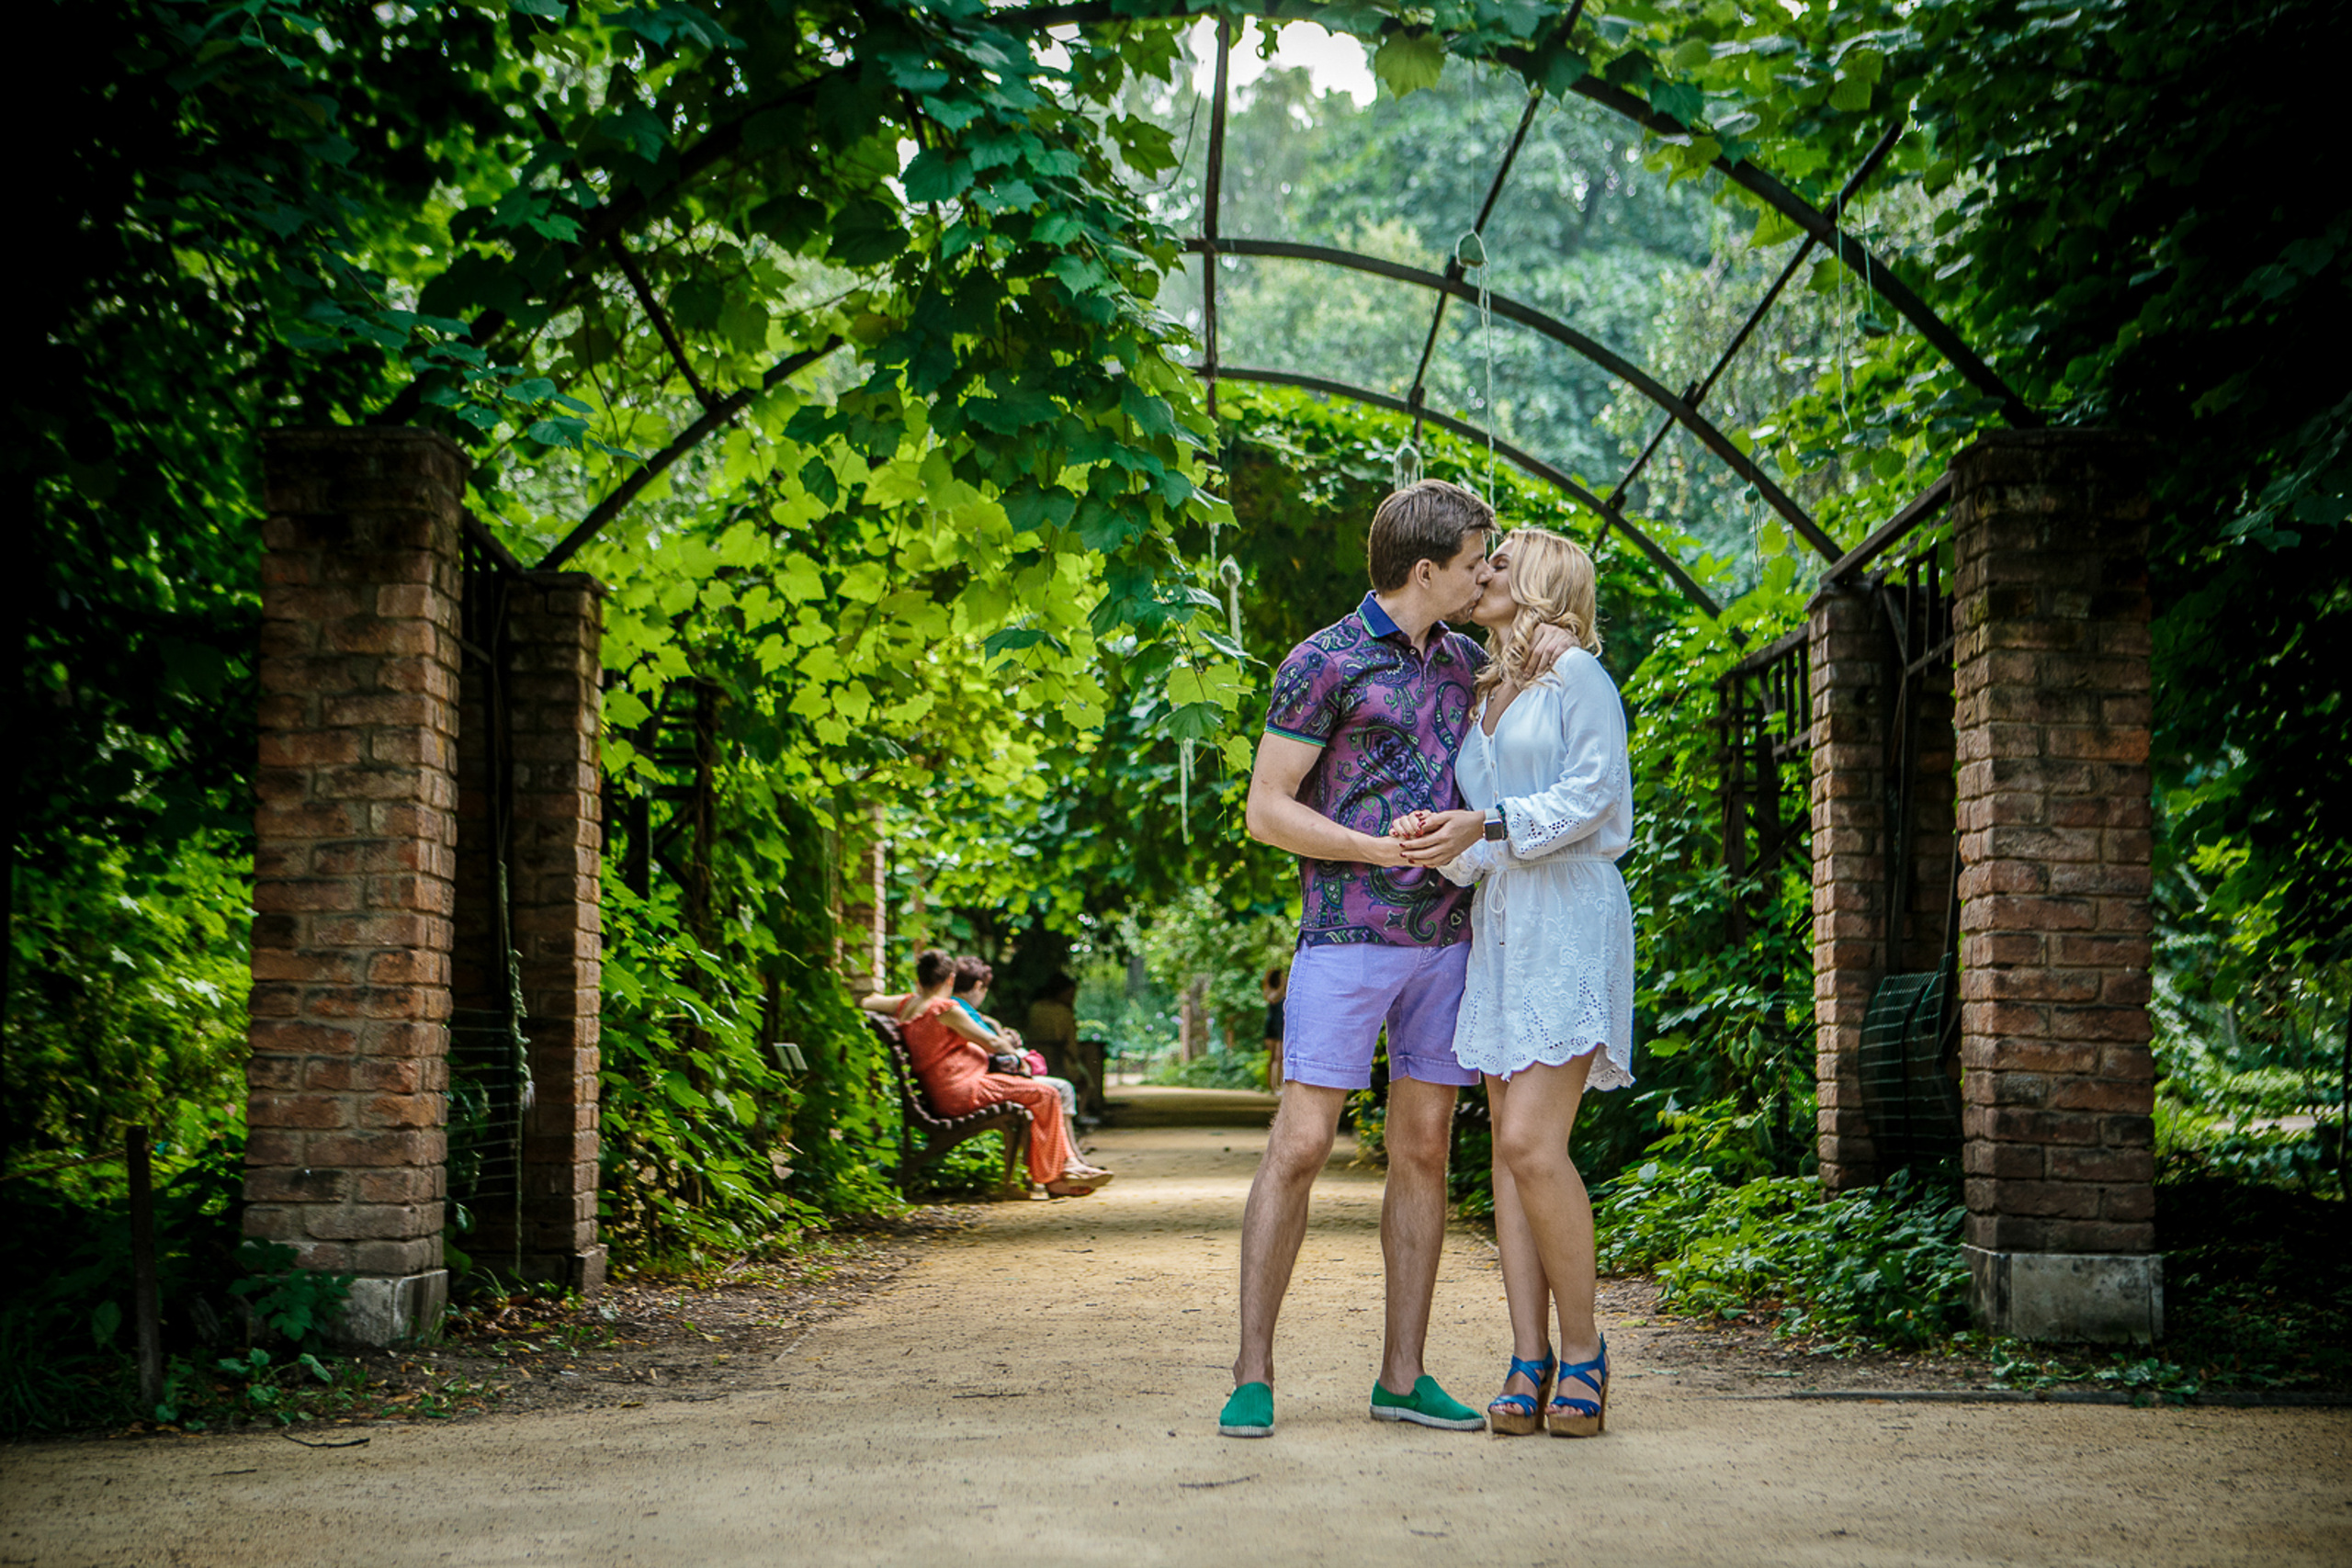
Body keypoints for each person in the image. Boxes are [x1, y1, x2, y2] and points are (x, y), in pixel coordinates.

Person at [1219, 479, 1570, 1440]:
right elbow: (1267, 809)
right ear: (1427, 570)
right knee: (1299, 1147)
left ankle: (1401, 1377)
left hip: (1449, 947)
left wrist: (1550, 645)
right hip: (1343, 936)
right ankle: (1253, 1374)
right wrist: (1372, 849)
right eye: (1472, 564)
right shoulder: (1321, 662)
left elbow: (1553, 708)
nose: (1483, 576)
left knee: (1423, 1151)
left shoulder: (1469, 661)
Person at [1397, 525, 1634, 1438]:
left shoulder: (1580, 679)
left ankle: (1583, 1352)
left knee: (1535, 1144)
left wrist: (1483, 823)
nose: (1481, 574)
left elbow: (1593, 796)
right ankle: (1525, 1355)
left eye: (1498, 565)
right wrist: (1440, 841)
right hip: (1499, 924)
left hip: (1569, 917)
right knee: (1504, 1148)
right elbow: (1477, 840)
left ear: (1538, 584)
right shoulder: (1485, 693)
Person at [863, 950, 1113, 1197]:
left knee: (1044, 1094)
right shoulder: (945, 1009)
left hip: (946, 1092)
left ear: (920, 979)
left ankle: (1064, 1167)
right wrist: (1019, 1059)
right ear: (950, 979)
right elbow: (992, 1042)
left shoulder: (909, 1003)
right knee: (1046, 1094)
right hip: (964, 1090)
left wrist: (912, 997)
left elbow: (868, 1001)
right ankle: (1055, 1177)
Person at [950, 956, 1091, 1165]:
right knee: (1059, 1090)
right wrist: (1012, 1049)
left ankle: (1069, 1159)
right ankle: (1066, 1161)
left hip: (975, 1078)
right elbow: (991, 1044)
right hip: (981, 1081)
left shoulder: (958, 1009)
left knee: (1057, 1090)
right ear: (979, 986)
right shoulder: (959, 1010)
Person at [1023, 970, 1098, 1116]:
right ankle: (1079, 1116)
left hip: (1035, 1058)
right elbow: (1071, 1043)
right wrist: (1075, 1058)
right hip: (1060, 1061)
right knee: (1088, 1084)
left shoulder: (1035, 1008)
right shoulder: (1064, 1012)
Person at [1260, 965, 1288, 1089]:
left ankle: (1281, 1085)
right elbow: (1271, 999)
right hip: (1272, 1024)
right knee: (1272, 1057)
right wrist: (1281, 987)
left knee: (1281, 1056)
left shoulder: (1285, 991)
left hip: (1282, 1023)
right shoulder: (1269, 989)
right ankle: (1272, 1086)